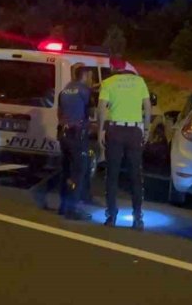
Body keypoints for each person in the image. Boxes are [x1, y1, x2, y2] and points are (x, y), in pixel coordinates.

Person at [98, 56, 151, 230]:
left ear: (113, 67)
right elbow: (148, 107)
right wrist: (147, 128)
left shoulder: (108, 82)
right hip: (135, 131)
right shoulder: (139, 81)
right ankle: (137, 218)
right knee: (135, 175)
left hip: (116, 131)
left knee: (112, 174)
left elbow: (101, 108)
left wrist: (101, 130)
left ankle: (111, 216)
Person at [55, 65, 93, 221]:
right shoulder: (84, 90)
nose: (91, 79)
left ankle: (63, 206)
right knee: (78, 171)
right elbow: (89, 113)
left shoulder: (64, 91)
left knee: (66, 170)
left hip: (64, 134)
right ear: (84, 76)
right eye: (90, 76)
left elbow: (60, 113)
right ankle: (73, 208)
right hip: (77, 135)